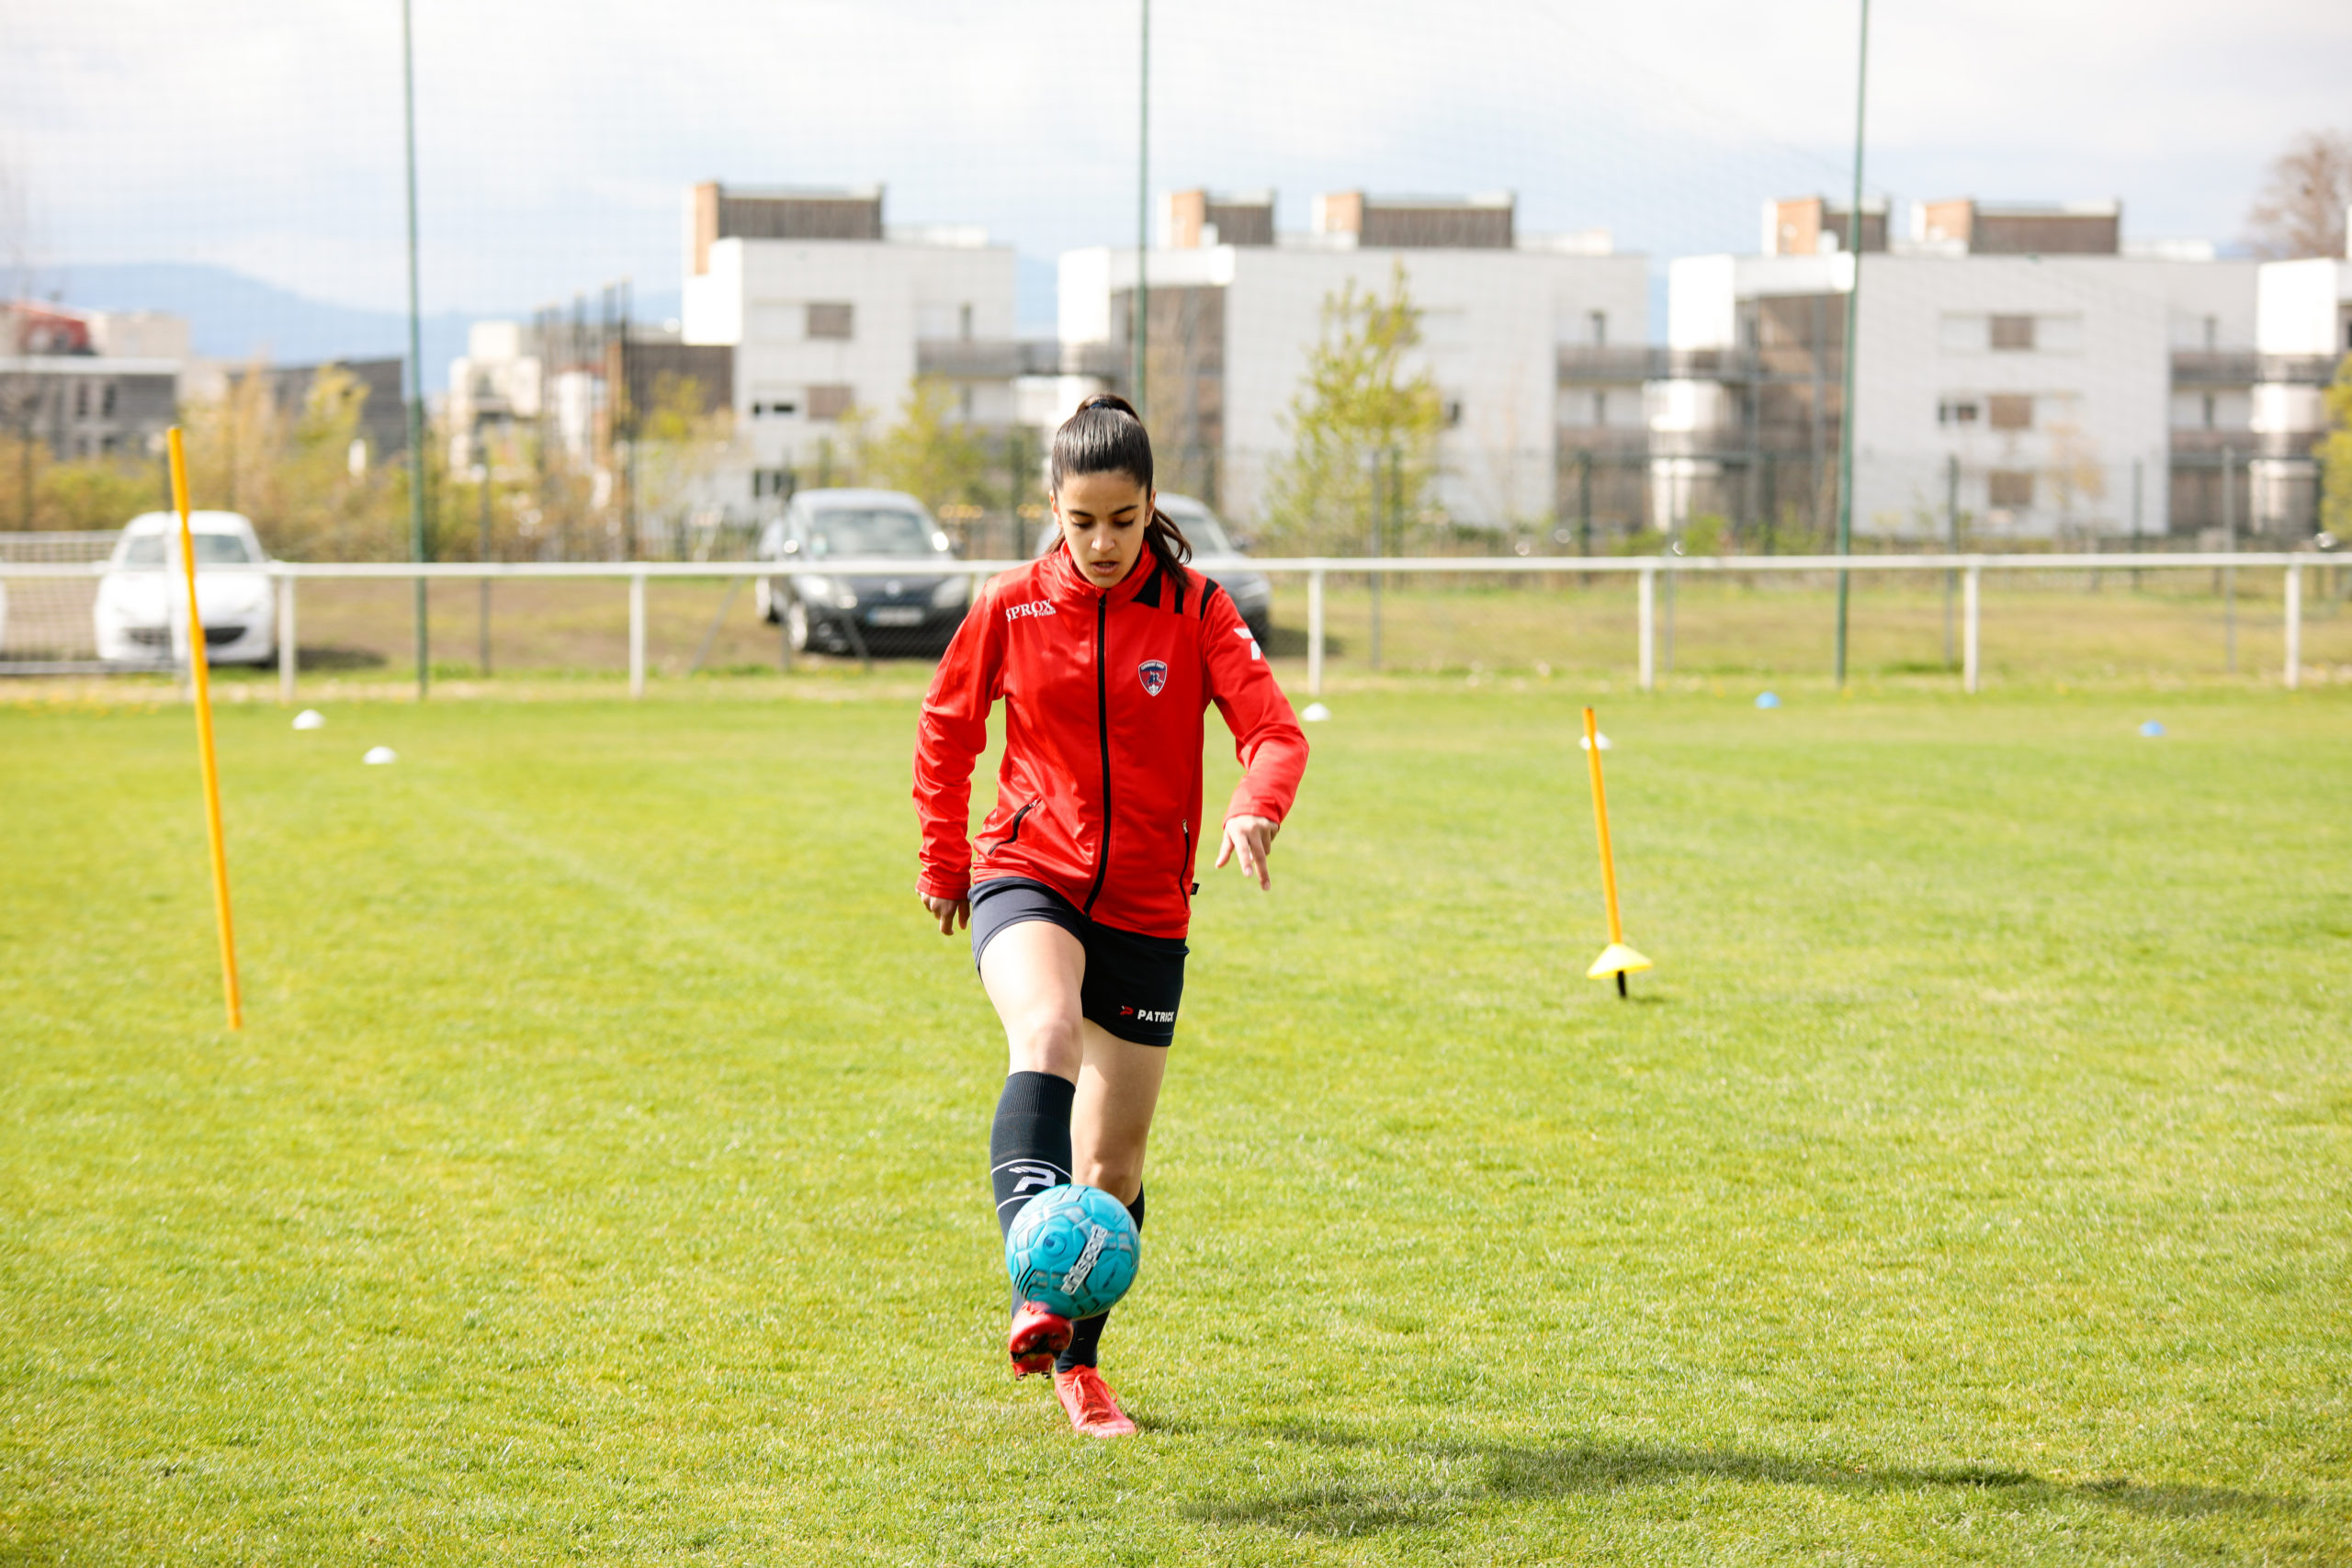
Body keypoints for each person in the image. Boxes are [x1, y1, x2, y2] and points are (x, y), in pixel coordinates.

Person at [910, 394, 1309, 1438]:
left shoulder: (1197, 611)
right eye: (1081, 520)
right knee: (1044, 1031)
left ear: (1150, 506)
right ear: (1052, 506)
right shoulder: (1009, 606)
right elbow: (947, 729)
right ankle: (1034, 1292)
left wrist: (1254, 806)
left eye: (1123, 521)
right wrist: (944, 859)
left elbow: (1274, 733)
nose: (1100, 543)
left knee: (1114, 1169)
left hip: (1144, 906)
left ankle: (1078, 1365)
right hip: (1026, 870)